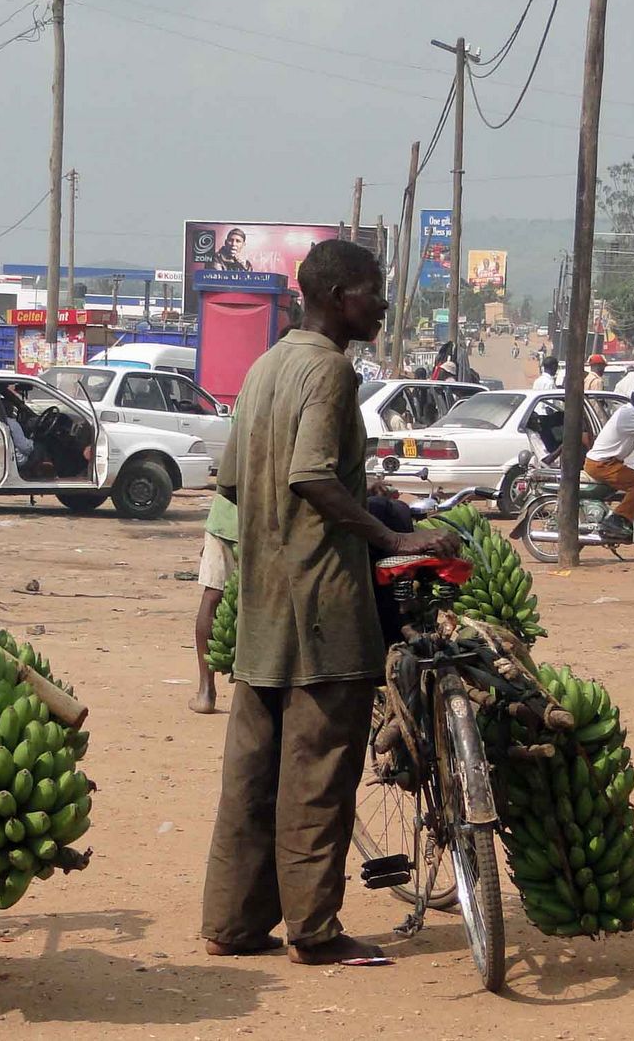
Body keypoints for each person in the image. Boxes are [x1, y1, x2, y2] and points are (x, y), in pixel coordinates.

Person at [201, 239, 459, 966]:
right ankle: (314, 929)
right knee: (318, 774)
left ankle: (233, 922)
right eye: (374, 290)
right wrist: (383, 533)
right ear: (339, 293)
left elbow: (234, 482)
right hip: (323, 606)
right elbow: (311, 473)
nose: (381, 304)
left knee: (252, 775)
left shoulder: (265, 366)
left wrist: (351, 501)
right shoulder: (330, 371)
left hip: (262, 608)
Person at [585, 385, 634, 540]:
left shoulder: (631, 413)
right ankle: (616, 519)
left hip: (608, 463)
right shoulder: (628, 414)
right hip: (602, 464)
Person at [190, 494, 237, 715]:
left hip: (226, 521)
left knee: (212, 595)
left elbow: (227, 480)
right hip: (266, 523)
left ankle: (206, 691)